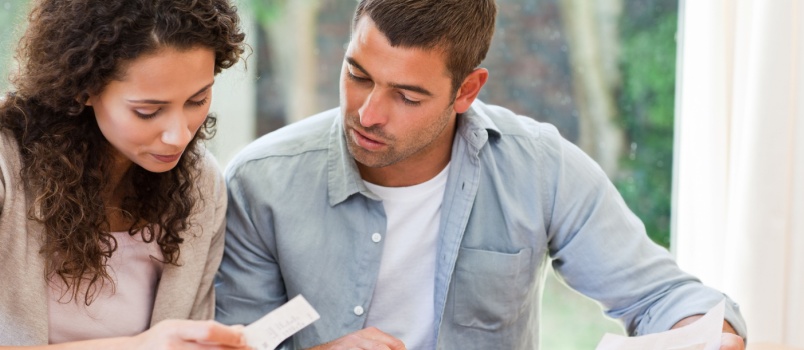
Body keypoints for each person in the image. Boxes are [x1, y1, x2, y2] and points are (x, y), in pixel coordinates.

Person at [215, 0, 747, 349]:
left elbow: (663, 298)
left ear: (467, 91)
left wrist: (709, 334)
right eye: (357, 75)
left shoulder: (537, 168)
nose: (369, 112)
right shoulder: (261, 183)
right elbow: (237, 340)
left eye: (407, 95)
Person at [0, 0, 249, 348]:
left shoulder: (199, 182)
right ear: (83, 88)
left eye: (198, 100)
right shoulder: (6, 166)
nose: (179, 135)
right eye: (148, 111)